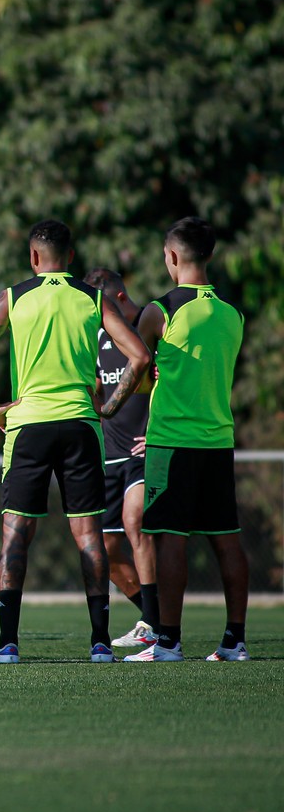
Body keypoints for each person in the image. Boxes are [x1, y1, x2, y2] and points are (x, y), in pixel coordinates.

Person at [0, 219, 150, 664]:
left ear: (32, 257)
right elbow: (140, 356)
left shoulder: (12, 297)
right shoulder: (93, 297)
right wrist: (109, 407)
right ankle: (101, 642)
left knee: (16, 534)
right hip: (82, 427)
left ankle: (8, 644)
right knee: (88, 535)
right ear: (70, 256)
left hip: (28, 426)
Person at [127, 217, 248, 662]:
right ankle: (235, 641)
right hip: (218, 439)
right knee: (226, 539)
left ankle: (169, 642)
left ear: (172, 257)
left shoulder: (162, 310)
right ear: (210, 257)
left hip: (172, 441)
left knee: (168, 537)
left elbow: (137, 369)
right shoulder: (233, 313)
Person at [82, 268, 159, 649]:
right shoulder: (96, 337)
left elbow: (172, 384)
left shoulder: (151, 327)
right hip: (108, 455)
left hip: (143, 451)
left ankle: (154, 620)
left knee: (135, 521)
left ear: (120, 300)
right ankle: (152, 616)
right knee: (107, 551)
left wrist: (160, 432)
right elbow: (95, 388)